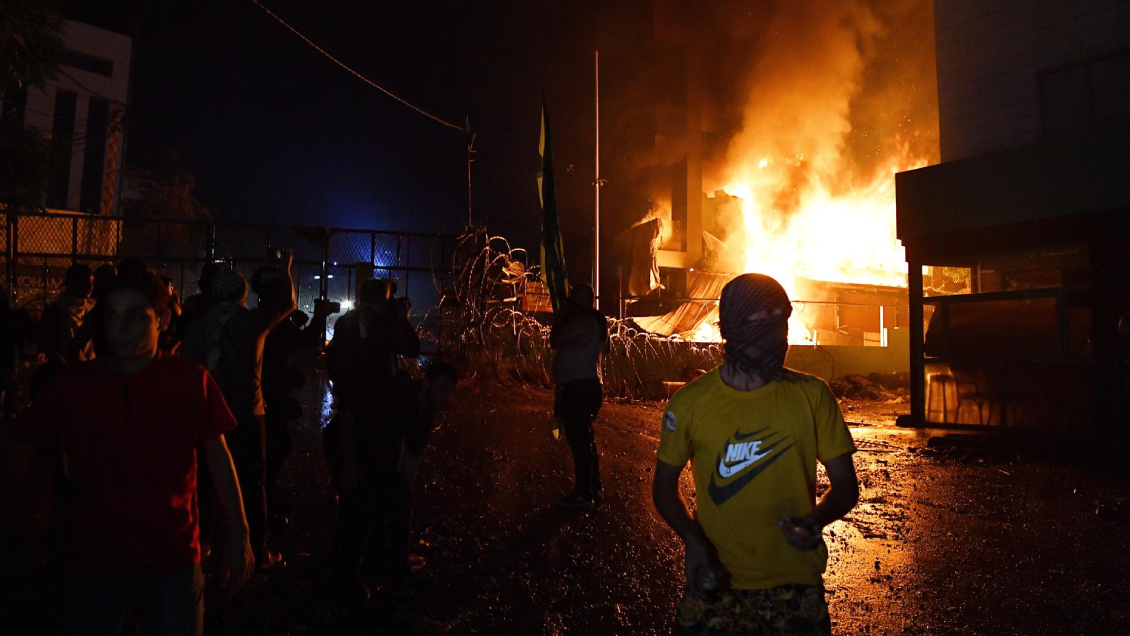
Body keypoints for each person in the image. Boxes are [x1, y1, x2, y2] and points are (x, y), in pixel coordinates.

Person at [12, 269, 254, 636]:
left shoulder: (189, 380)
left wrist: (240, 534)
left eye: (135, 317)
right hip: (95, 557)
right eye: (111, 316)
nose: (119, 329)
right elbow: (21, 436)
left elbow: (219, 456)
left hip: (172, 556)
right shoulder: (77, 384)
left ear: (163, 320)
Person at [651, 273, 859, 636]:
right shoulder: (690, 404)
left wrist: (816, 520)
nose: (775, 337)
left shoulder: (813, 396)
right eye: (761, 324)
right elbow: (663, 487)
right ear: (731, 328)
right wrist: (693, 541)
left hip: (796, 583)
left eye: (781, 323)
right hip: (717, 580)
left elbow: (845, 486)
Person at [186, 257, 296, 570]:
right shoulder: (251, 322)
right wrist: (286, 269)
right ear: (242, 293)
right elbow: (288, 302)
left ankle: (203, 543)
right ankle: (256, 550)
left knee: (206, 480)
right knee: (252, 482)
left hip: (208, 415)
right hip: (248, 413)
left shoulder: (196, 326)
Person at [324, 278, 420, 602]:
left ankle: (355, 558)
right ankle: (350, 570)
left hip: (353, 415)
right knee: (367, 495)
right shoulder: (383, 324)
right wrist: (403, 319)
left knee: (358, 494)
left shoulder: (346, 323)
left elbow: (335, 365)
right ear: (384, 299)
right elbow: (412, 347)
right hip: (374, 421)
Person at [551, 283, 608, 510]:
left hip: (579, 387)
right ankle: (593, 485)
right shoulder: (596, 321)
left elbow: (555, 340)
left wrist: (561, 316)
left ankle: (583, 493)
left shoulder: (583, 321)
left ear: (582, 299)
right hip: (585, 385)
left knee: (579, 440)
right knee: (585, 438)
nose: (571, 301)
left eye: (574, 297)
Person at [39, 263, 95, 364]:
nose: (91, 287)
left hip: (90, 366)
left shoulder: (92, 308)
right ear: (73, 283)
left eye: (92, 283)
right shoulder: (55, 311)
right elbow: (50, 347)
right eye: (86, 282)